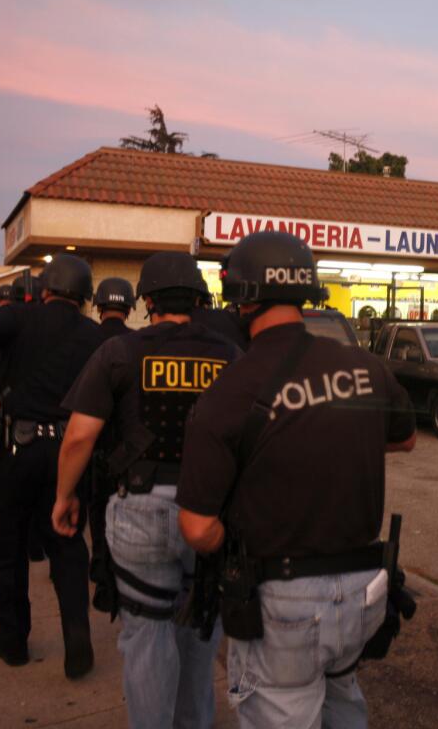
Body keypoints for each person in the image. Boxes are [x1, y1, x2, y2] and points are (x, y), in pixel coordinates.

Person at [177, 231, 416, 729]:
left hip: (281, 602)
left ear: (243, 300)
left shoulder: (230, 391)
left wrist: (230, 543)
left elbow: (198, 529)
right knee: (342, 700)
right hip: (363, 593)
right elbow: (404, 437)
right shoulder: (366, 369)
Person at [54, 251, 241, 729]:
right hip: (212, 515)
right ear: (200, 300)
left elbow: (78, 437)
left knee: (146, 642)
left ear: (147, 301)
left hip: (139, 508)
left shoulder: (120, 352)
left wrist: (64, 497)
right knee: (200, 637)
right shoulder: (230, 357)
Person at [0, 253, 104, 678]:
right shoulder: (96, 337)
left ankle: (13, 639)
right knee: (67, 543)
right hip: (68, 454)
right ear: (84, 296)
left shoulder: (18, 317)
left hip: (13, 449)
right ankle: (77, 636)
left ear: (45, 289)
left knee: (8, 545)